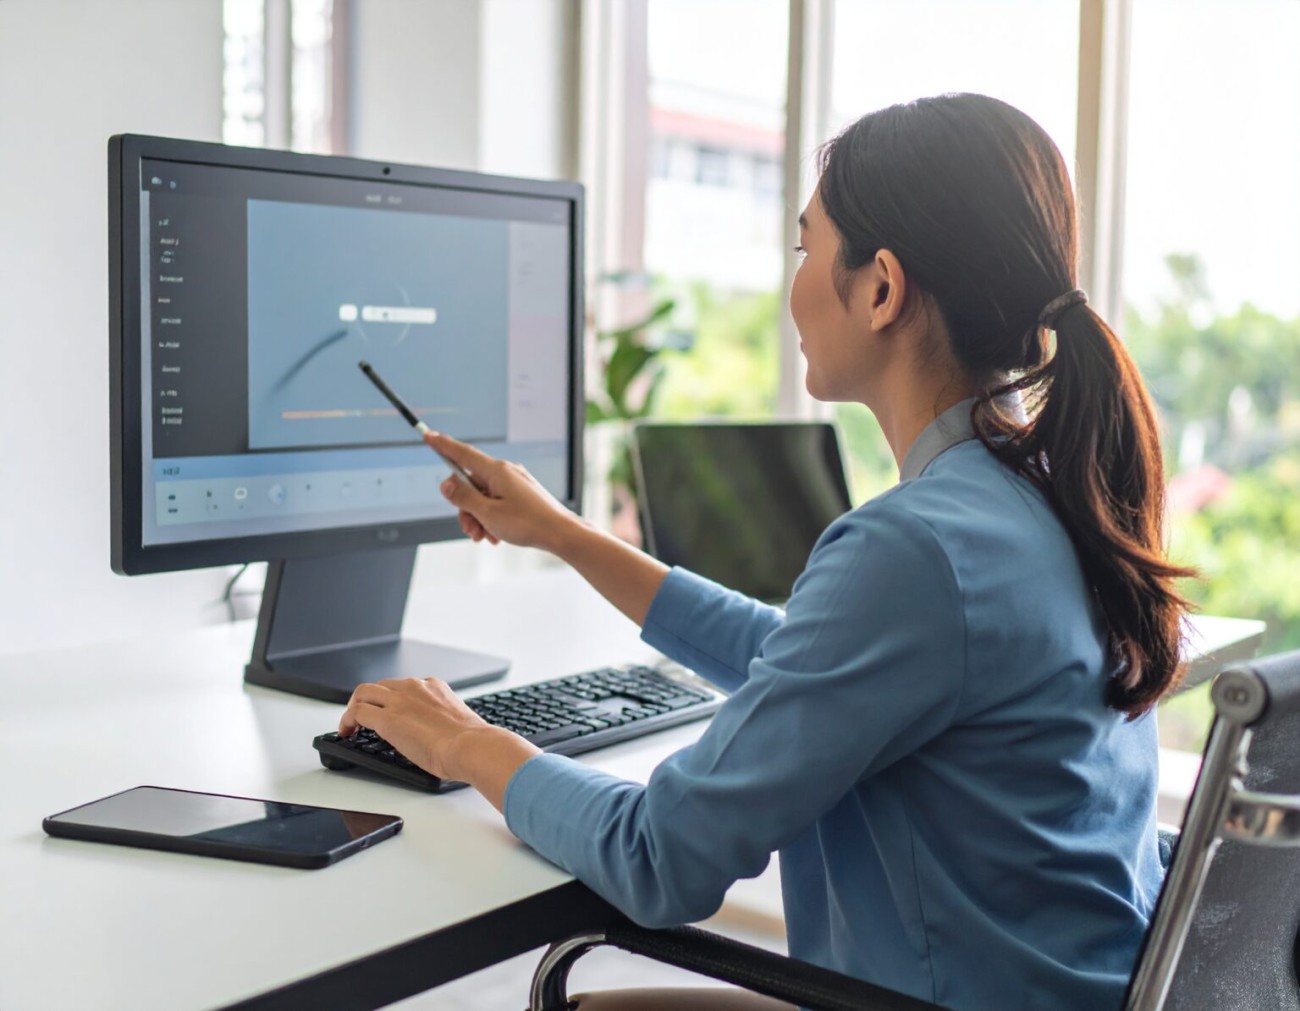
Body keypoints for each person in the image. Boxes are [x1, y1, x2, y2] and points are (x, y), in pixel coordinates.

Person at [339, 93, 1193, 1010]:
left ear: (881, 288)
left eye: (804, 248)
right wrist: (563, 533)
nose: (793, 284)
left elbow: (657, 858)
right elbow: (810, 660)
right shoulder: (1056, 493)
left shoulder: (914, 549)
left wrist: (465, 741)